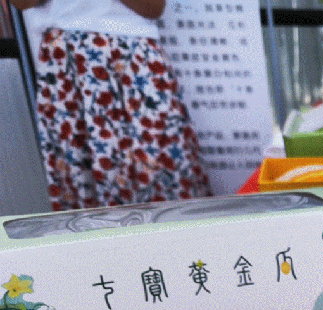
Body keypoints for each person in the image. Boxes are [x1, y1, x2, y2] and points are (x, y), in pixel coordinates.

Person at [12, 0, 212, 210]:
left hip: (131, 56)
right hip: (67, 62)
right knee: (83, 182)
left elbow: (154, 7)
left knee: (161, 174)